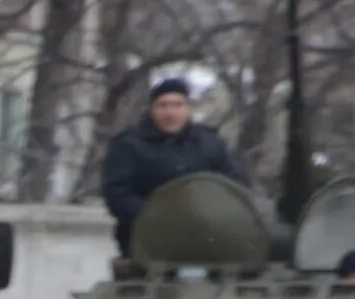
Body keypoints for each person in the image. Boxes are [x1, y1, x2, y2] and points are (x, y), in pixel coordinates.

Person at [101, 78, 248, 252]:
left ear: (188, 109)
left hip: (206, 238)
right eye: (162, 105)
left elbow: (231, 184)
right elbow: (117, 192)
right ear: (152, 109)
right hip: (147, 239)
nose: (170, 112)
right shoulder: (129, 145)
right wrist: (157, 216)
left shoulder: (210, 143)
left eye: (177, 105)